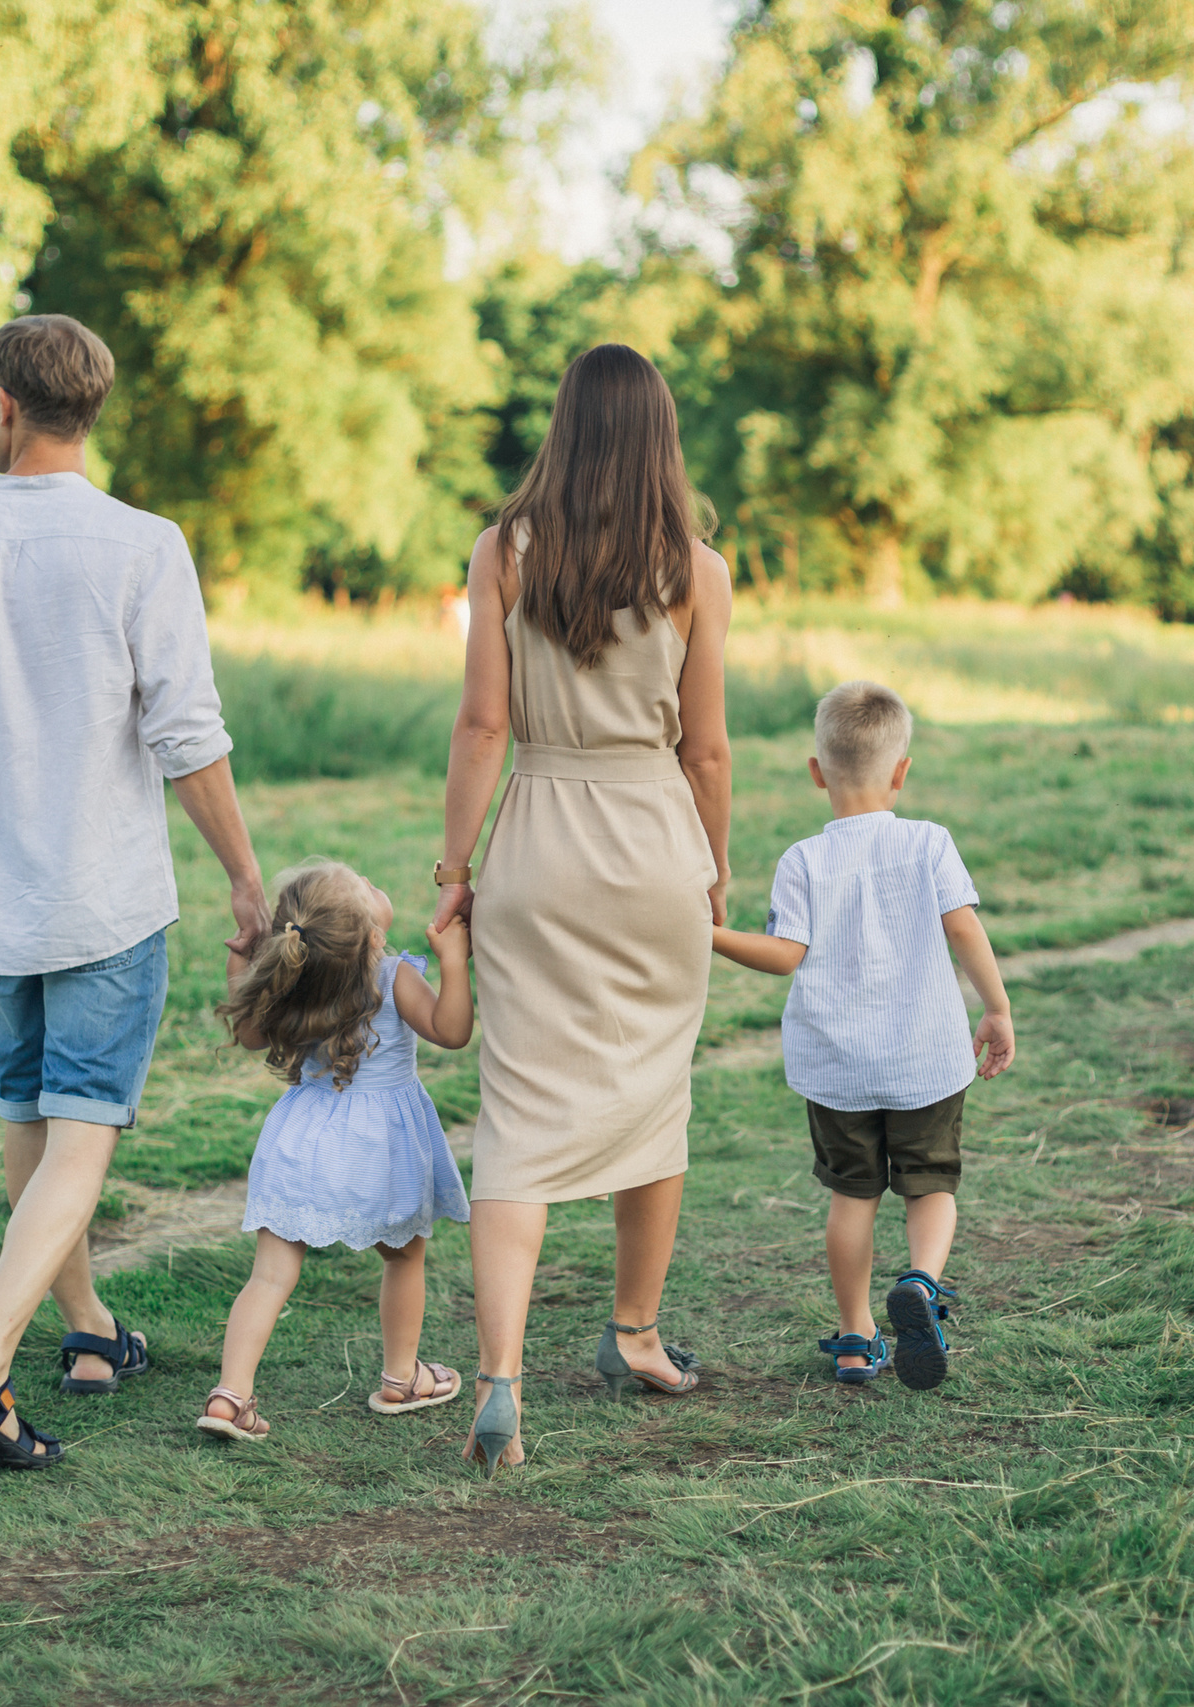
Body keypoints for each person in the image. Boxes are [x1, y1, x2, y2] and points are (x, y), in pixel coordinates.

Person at [0, 313, 270, 1468]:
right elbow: (186, 735)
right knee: (81, 1130)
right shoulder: (142, 544)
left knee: (30, 1115)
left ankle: (89, 1332)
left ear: (3, 404)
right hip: (104, 894)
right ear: (82, 409)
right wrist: (245, 877)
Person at [434, 343, 733, 1476]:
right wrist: (715, 867)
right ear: (659, 436)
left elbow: (480, 729)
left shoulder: (503, 552)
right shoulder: (696, 568)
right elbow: (704, 747)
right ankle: (634, 1334)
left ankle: (501, 1377)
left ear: (562, 426)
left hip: (540, 835)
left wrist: (454, 872)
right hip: (654, 838)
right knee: (654, 1087)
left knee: (516, 1108)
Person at [709, 681, 1016, 1392]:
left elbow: (785, 954)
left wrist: (710, 935)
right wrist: (996, 1007)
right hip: (925, 1058)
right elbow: (963, 926)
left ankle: (855, 1338)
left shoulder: (802, 860)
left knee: (853, 1196)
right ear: (902, 770)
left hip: (837, 1065)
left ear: (817, 771)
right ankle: (921, 1284)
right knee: (930, 1183)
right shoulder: (928, 842)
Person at [195, 861, 475, 1443]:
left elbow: (249, 1034)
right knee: (402, 1259)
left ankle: (230, 1396)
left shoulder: (296, 975)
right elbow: (451, 1031)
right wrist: (453, 961)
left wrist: (241, 960)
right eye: (370, 887)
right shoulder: (394, 974)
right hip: (383, 1148)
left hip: (301, 1141)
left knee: (270, 1276)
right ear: (373, 935)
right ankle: (402, 1378)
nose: (379, 884)